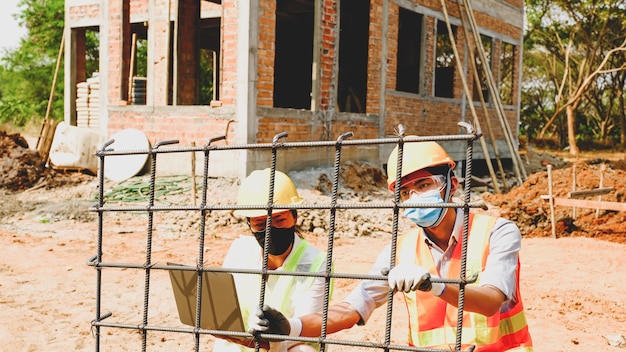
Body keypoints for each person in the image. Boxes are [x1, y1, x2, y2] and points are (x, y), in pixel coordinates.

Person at [249, 140, 533, 351]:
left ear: (452, 185)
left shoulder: (497, 232)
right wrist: (292, 327)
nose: (414, 197)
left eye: (424, 185)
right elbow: (354, 307)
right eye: (405, 192)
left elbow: (492, 301)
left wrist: (433, 285)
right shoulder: (400, 251)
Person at [213, 168, 332, 352]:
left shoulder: (316, 264)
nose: (270, 230)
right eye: (260, 224)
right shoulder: (239, 251)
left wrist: (248, 340)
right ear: (249, 225)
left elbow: (303, 333)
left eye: (279, 220)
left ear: (294, 216)